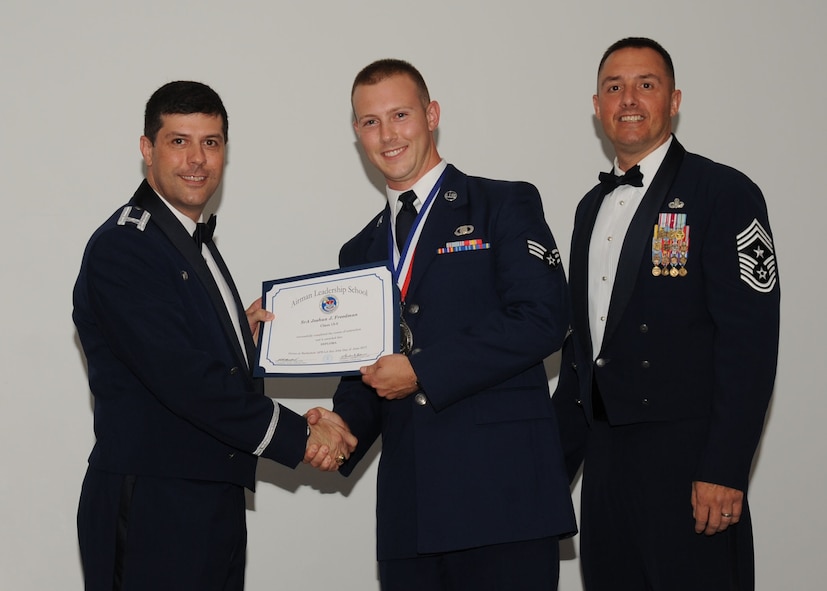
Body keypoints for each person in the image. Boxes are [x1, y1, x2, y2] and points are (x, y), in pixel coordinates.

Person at [72, 80, 356, 591]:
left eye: (211, 142)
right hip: (155, 506)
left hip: (209, 499)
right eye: (179, 141)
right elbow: (186, 380)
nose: (196, 160)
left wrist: (236, 337)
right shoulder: (126, 247)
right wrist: (302, 436)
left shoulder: (184, 240)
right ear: (146, 150)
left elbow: (184, 348)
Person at [313, 59, 576, 590]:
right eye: (369, 122)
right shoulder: (359, 250)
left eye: (400, 114)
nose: (387, 135)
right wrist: (338, 430)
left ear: (431, 115)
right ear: (357, 134)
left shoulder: (503, 203)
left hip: (502, 498)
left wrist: (423, 370)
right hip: (411, 509)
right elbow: (366, 372)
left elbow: (545, 319)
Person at [551, 38, 780, 590]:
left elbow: (749, 344)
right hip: (607, 464)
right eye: (614, 87)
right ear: (597, 105)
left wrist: (724, 470)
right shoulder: (589, 208)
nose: (628, 99)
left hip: (689, 463)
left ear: (674, 100)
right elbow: (581, 356)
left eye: (645, 85)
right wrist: (552, 474)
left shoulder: (724, 192)